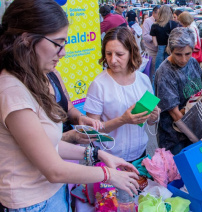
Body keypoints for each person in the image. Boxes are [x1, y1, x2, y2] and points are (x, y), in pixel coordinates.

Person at [0, 0, 139, 210]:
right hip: (32, 203)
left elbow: (50, 146)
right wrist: (108, 174)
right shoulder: (13, 91)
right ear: (27, 39)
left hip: (52, 193)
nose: (63, 52)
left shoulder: (36, 77)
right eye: (58, 43)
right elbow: (54, 169)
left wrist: (99, 154)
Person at [84, 27, 160, 163]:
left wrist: (154, 116)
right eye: (108, 54)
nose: (113, 60)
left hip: (140, 155)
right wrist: (122, 120)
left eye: (119, 54)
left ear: (131, 53)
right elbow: (91, 132)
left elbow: (149, 121)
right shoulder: (98, 85)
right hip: (109, 158)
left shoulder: (144, 80)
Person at [155, 27, 202, 155]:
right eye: (178, 54)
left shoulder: (193, 62)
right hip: (175, 139)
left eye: (187, 54)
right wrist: (198, 136)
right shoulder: (165, 72)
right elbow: (175, 114)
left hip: (195, 129)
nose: (183, 59)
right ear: (170, 50)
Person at [150, 5, 178, 72]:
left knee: (157, 72)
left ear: (160, 13)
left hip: (160, 50)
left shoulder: (154, 25)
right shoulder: (174, 24)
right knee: (171, 72)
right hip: (171, 50)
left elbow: (155, 44)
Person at [142, 5, 160, 82]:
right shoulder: (148, 21)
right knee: (152, 72)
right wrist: (155, 39)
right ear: (154, 13)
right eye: (159, 14)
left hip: (160, 50)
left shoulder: (161, 22)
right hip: (151, 50)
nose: (160, 16)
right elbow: (145, 36)